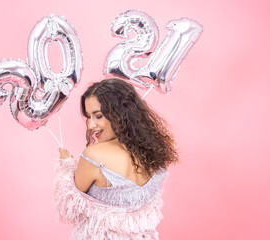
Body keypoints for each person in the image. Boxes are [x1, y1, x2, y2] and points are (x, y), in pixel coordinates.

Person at [54, 78, 178, 239]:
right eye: (88, 117)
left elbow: (70, 205)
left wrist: (67, 164)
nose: (91, 125)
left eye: (98, 116)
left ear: (119, 113)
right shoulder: (154, 152)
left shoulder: (94, 156)